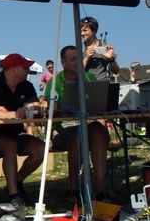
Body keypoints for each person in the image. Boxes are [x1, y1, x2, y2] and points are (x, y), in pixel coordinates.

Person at [0, 53, 45, 219]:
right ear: (13, 69)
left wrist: (34, 109)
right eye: (25, 67)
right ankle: (14, 194)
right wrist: (17, 113)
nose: (28, 70)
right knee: (10, 145)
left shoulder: (26, 86)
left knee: (40, 148)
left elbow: (35, 105)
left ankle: (15, 182)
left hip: (15, 131)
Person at [44, 45, 112, 201]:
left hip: (88, 122)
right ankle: (73, 188)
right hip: (64, 126)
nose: (77, 62)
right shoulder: (54, 83)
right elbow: (49, 109)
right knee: (77, 137)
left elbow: (98, 106)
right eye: (73, 59)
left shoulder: (90, 78)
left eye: (79, 59)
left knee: (98, 132)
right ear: (63, 62)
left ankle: (100, 189)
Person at [80, 16, 119, 80]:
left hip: (103, 83)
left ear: (94, 31)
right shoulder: (80, 48)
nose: (82, 33)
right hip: (88, 84)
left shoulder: (104, 47)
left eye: (85, 30)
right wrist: (86, 58)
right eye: (80, 31)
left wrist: (112, 59)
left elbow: (116, 71)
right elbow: (77, 73)